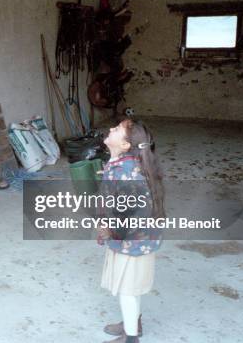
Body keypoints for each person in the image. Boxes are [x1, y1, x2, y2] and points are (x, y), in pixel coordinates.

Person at [97, 119, 164, 343]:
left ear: (126, 145)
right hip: (135, 238)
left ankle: (131, 338)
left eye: (116, 130)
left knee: (127, 290)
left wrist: (108, 227)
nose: (110, 129)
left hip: (132, 240)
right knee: (131, 286)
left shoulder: (126, 171)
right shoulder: (123, 163)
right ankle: (132, 323)